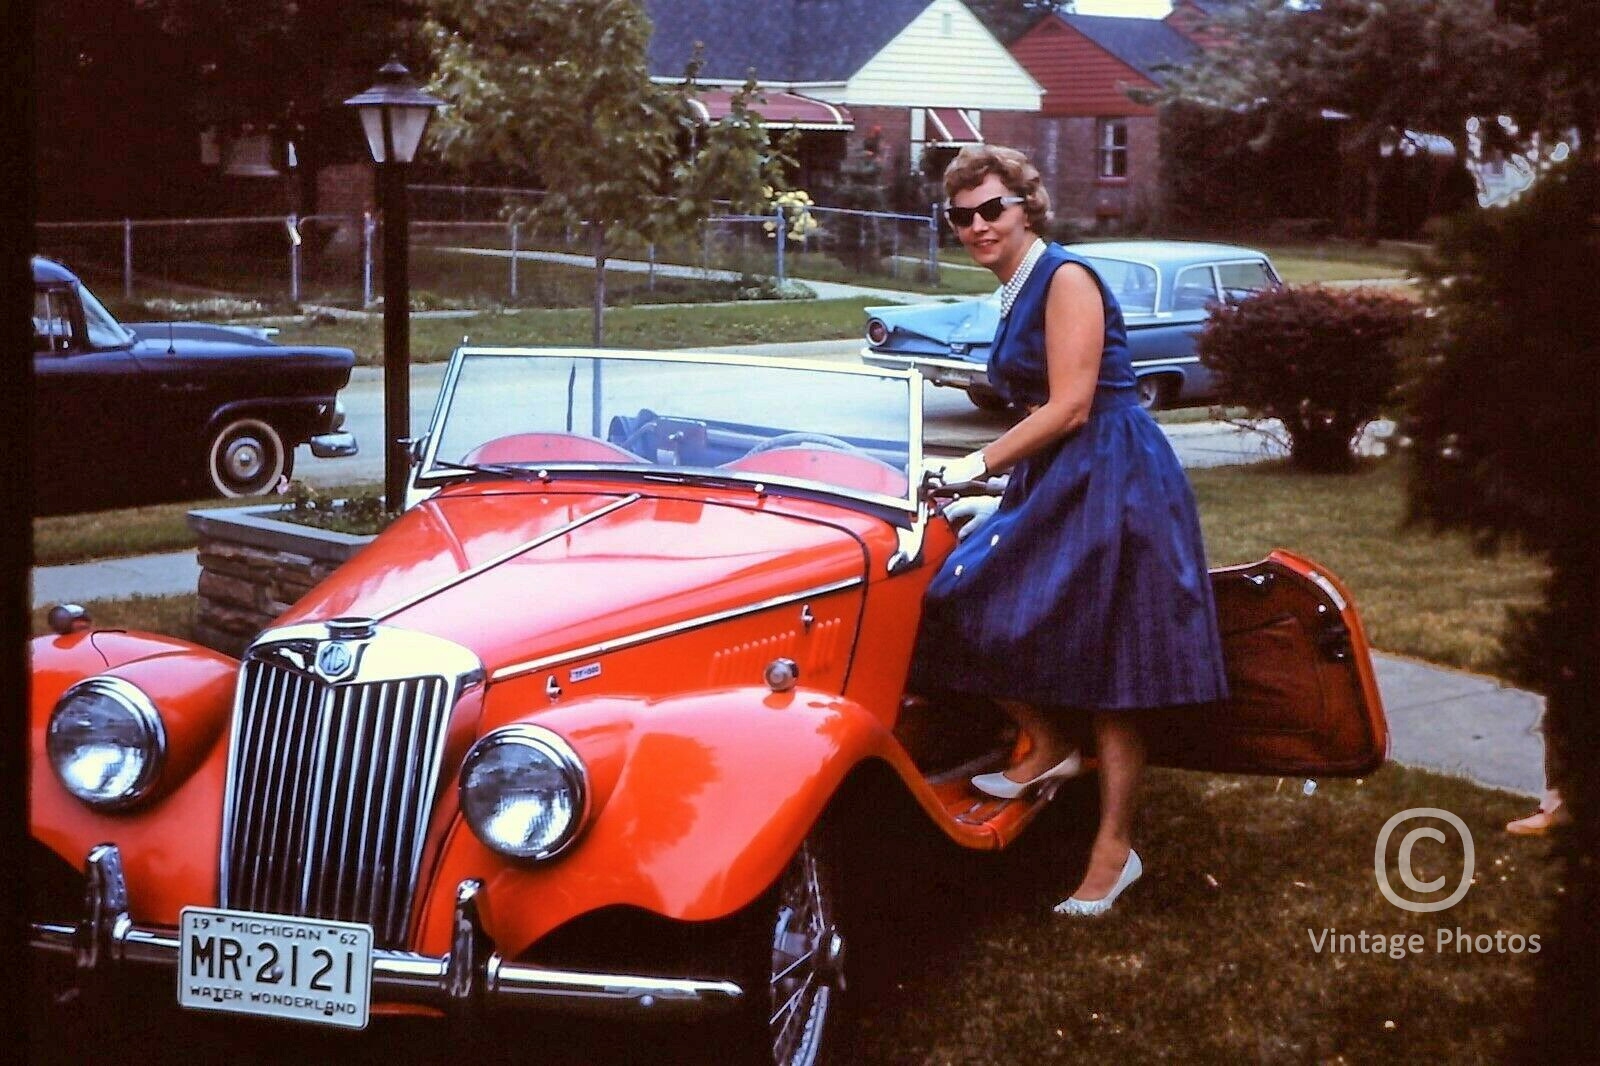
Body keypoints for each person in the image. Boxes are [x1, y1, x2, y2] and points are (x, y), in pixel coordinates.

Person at [910, 145, 1229, 917]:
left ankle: (1113, 853)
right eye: (963, 215)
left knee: (1115, 667)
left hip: (1117, 476)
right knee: (958, 595)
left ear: (1027, 206)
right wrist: (988, 478)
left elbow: (1072, 405)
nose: (979, 226)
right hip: (1061, 472)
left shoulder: (1066, 277)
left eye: (994, 209)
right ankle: (1049, 746)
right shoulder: (1017, 287)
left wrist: (971, 466)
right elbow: (1043, 414)